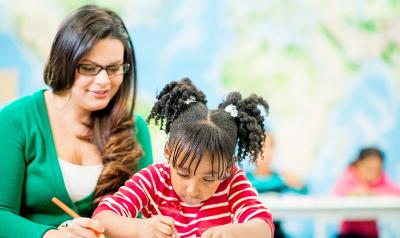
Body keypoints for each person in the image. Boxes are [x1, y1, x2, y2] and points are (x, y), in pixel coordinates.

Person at [0, 5, 153, 238]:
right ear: (65, 62)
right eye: (89, 68)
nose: (103, 81)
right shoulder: (16, 119)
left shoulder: (135, 129)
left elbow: (145, 219)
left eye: (113, 68)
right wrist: (53, 235)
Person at [93, 78, 274, 238]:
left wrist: (234, 233)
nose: (193, 190)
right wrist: (140, 229)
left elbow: (264, 226)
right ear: (169, 153)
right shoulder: (154, 179)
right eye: (182, 173)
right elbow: (102, 217)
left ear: (227, 168)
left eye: (209, 178)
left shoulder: (232, 181)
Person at [246, 134, 307, 238]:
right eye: (259, 146)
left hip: (276, 231)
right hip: (251, 231)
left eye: (268, 147)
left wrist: (297, 183)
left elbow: (304, 191)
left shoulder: (280, 178)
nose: (263, 152)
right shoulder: (244, 179)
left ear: (273, 151)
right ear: (250, 152)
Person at [333, 147, 400, 238]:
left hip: (372, 234)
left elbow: (396, 191)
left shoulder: (380, 179)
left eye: (377, 170)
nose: (372, 173)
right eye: (368, 168)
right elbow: (337, 192)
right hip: (349, 234)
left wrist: (374, 192)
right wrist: (352, 193)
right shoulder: (349, 175)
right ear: (357, 165)